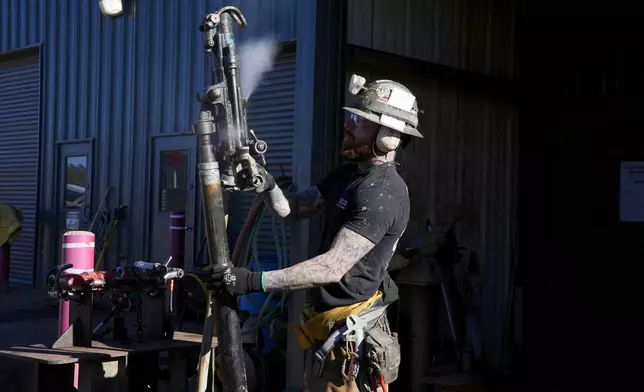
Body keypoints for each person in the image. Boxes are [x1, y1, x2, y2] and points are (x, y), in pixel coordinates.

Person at [211, 75, 424, 391]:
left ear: (389, 137)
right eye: (353, 116)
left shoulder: (382, 194)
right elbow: (291, 210)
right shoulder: (348, 175)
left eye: (361, 120)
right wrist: (265, 183)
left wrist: (253, 281)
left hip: (352, 346)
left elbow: (331, 267)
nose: (349, 124)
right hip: (329, 332)